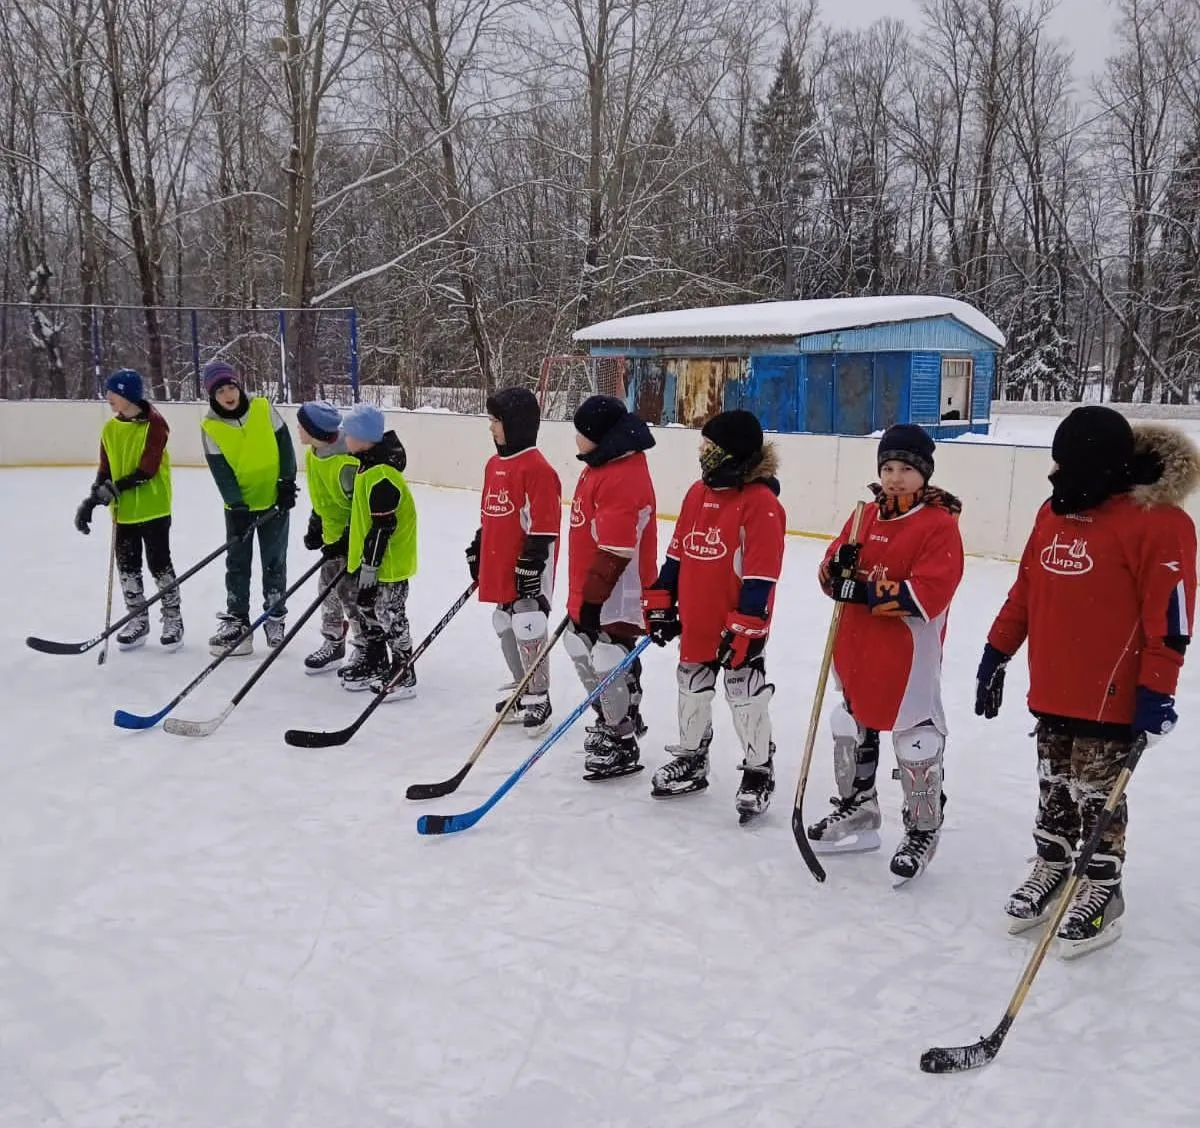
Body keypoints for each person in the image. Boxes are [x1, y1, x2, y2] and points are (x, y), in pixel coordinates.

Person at [977, 406, 1197, 956]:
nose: (1057, 475)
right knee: (1054, 785)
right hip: (1053, 683)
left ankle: (1101, 887)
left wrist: (1158, 692)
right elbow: (1026, 592)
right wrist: (996, 651)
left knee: (1098, 796)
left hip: (1114, 693)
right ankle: (1053, 866)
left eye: (1068, 465)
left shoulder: (1160, 523)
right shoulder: (1054, 513)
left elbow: (1170, 623)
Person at [806, 424, 964, 881]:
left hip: (907, 654)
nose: (895, 478)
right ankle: (859, 808)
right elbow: (829, 575)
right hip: (856, 646)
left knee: (917, 737)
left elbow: (929, 594)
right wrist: (833, 571)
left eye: (907, 469)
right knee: (851, 724)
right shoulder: (863, 517)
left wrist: (866, 590)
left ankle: (922, 826)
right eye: (888, 467)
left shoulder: (937, 526)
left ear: (925, 474)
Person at [642, 410, 785, 821]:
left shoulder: (761, 504)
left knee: (744, 692)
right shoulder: (696, 493)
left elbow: (760, 575)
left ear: (732, 452)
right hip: (697, 618)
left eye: (709, 447)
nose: (702, 454)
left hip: (737, 622)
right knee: (691, 684)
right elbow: (677, 554)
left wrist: (747, 625)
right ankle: (692, 756)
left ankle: (759, 768)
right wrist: (662, 599)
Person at [565, 394, 657, 779]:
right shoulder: (599, 465)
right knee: (578, 645)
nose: (575, 439)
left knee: (607, 657)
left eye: (581, 433)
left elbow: (616, 550)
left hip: (619, 591)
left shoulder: (623, 474)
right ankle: (609, 714)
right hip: (593, 586)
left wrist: (591, 602)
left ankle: (620, 733)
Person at [465, 386, 562, 735]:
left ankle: (539, 694)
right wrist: (478, 546)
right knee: (503, 621)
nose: (491, 428)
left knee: (527, 620)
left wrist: (531, 562)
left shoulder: (538, 469)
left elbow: (545, 524)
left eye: (496, 421)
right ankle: (521, 687)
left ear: (517, 424)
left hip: (529, 564)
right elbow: (491, 515)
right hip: (500, 560)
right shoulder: (494, 465)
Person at [73, 368, 182, 650]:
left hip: (154, 508)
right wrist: (92, 501)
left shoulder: (155, 424)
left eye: (113, 392)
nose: (108, 397)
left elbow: (147, 469)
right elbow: (105, 470)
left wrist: (113, 489)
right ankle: (138, 619)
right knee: (128, 568)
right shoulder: (110, 428)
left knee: (160, 565)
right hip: (123, 513)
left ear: (128, 395)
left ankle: (173, 618)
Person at [200, 360, 296, 656]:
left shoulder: (263, 408)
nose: (228, 395)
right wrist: (237, 505)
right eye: (220, 392)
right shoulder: (211, 426)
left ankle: (274, 615)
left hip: (274, 501)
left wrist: (286, 483)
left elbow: (285, 445)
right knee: (238, 563)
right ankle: (238, 620)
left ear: (239, 387)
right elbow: (221, 471)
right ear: (212, 397)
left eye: (231, 387)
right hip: (239, 508)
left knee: (274, 560)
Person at [339, 403, 419, 696]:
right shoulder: (367, 467)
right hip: (371, 562)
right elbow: (364, 518)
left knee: (389, 613)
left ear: (363, 439)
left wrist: (370, 570)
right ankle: (376, 662)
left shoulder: (382, 476)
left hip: (389, 565)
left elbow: (383, 529)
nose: (343, 438)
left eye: (348, 434)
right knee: (367, 610)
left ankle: (403, 671)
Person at [296, 400, 362, 673]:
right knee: (327, 591)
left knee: (352, 597)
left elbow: (360, 506)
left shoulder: (346, 462)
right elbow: (322, 494)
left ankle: (365, 646)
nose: (298, 430)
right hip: (331, 537)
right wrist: (316, 523)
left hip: (353, 541)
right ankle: (333, 642)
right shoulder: (314, 453)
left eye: (302, 426)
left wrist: (347, 539)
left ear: (315, 431)